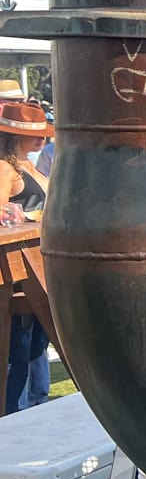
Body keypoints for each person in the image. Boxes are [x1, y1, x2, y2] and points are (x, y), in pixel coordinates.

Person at [0, 101, 54, 413]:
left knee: (36, 342)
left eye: (43, 135)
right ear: (12, 135)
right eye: (34, 135)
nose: (42, 140)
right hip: (19, 265)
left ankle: (38, 407)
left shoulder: (27, 165)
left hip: (35, 259)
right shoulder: (6, 168)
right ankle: (20, 412)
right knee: (20, 343)